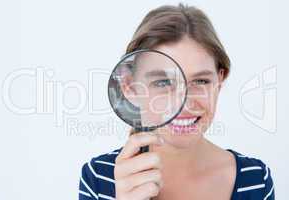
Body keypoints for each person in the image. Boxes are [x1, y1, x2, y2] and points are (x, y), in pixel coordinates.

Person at [78, 3, 275, 200]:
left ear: (219, 82)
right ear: (129, 86)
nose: (185, 102)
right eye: (163, 82)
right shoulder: (98, 178)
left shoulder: (256, 179)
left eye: (200, 81)